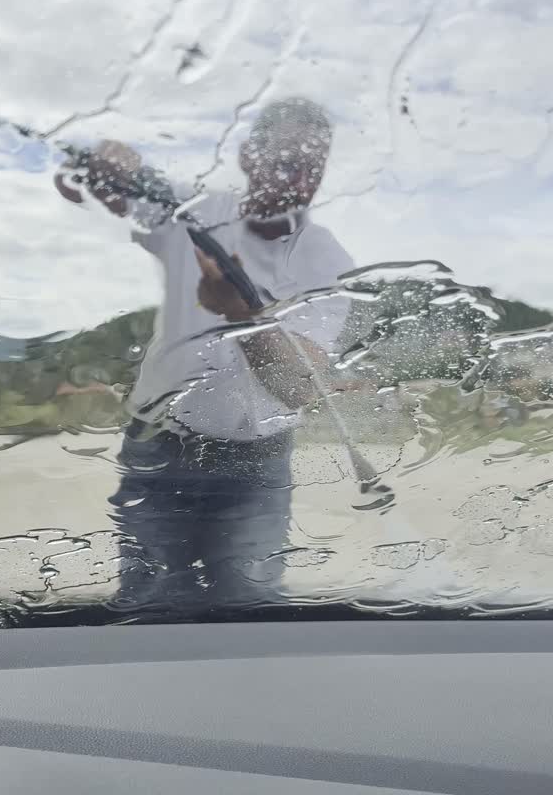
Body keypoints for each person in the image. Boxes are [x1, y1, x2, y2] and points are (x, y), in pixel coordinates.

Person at [55, 97, 354, 611]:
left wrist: (248, 320)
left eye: (313, 170)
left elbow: (301, 386)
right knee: (148, 603)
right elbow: (119, 188)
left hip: (258, 466)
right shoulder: (192, 210)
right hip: (157, 450)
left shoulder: (326, 260)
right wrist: (94, 165)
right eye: (286, 163)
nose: (299, 184)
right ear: (246, 156)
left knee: (250, 603)